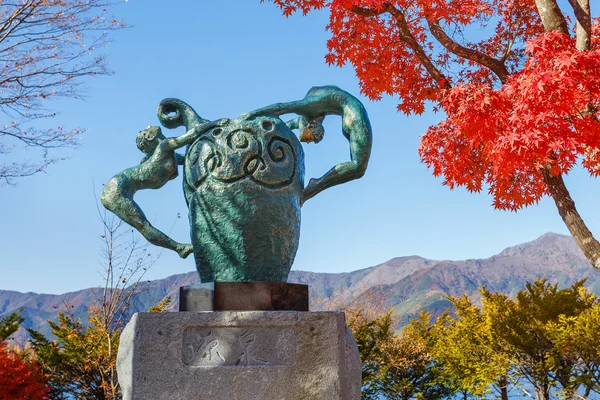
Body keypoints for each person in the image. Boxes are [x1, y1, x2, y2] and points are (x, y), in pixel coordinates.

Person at [101, 120, 227, 257]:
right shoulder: (164, 146)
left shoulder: (167, 155)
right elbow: (192, 134)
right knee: (144, 226)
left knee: (143, 225)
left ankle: (180, 248)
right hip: (114, 189)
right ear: (149, 136)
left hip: (119, 188)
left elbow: (188, 159)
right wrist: (215, 123)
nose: (149, 126)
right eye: (146, 129)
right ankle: (179, 248)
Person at [247, 85, 372, 205]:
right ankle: (315, 186)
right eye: (310, 139)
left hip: (354, 111)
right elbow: (285, 125)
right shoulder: (303, 118)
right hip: (345, 109)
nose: (307, 141)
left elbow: (282, 107)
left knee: (359, 167)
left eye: (310, 139)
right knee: (358, 169)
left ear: (311, 126)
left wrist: (252, 114)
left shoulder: (309, 107)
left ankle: (315, 185)